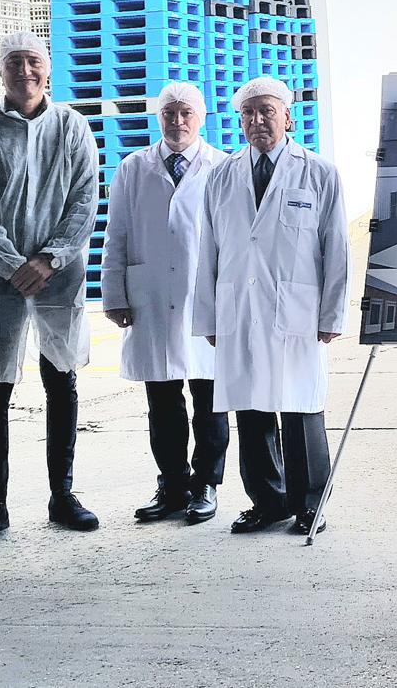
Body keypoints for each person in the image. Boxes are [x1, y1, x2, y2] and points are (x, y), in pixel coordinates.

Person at [0, 31, 101, 547]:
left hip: (59, 276)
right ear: (0, 72)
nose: (25, 71)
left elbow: (85, 199)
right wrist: (15, 265)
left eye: (33, 62)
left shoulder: (72, 127)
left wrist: (51, 257)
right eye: (14, 63)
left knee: (60, 380)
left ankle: (62, 495)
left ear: (48, 70)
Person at [193, 77, 349, 537]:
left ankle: (308, 504)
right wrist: (208, 315)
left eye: (266, 111)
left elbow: (336, 247)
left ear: (288, 117)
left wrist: (332, 313)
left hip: (297, 307)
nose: (257, 121)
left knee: (300, 407)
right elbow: (209, 250)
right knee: (251, 405)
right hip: (239, 305)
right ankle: (268, 502)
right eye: (248, 113)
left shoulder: (319, 172)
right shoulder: (222, 175)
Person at [102, 82, 230, 525]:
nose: (178, 122)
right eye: (169, 114)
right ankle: (172, 484)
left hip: (204, 297)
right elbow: (116, 234)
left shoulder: (222, 168)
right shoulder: (134, 168)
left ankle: (206, 484)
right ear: (158, 118)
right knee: (162, 399)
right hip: (151, 295)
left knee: (209, 396)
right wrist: (115, 294)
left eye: (186, 114)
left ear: (202, 117)